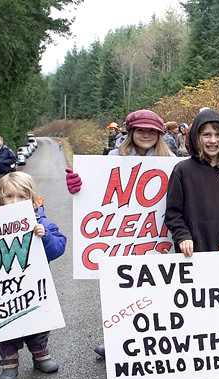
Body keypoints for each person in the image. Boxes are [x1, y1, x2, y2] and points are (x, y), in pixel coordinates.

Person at [65, 108, 174, 357]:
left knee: (156, 290)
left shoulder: (170, 161)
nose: (146, 135)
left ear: (159, 134)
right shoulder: (113, 157)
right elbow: (95, 195)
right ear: (130, 132)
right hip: (123, 241)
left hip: (157, 237)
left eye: (151, 131)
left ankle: (156, 341)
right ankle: (117, 340)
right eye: (140, 130)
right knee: (121, 292)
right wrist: (79, 187)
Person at [0, 172, 66, 379]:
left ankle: (41, 356)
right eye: (9, 196)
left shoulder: (43, 223)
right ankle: (9, 363)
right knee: (4, 324)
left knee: (38, 323)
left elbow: (58, 249)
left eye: (21, 196)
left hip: (33, 287)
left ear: (32, 198)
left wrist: (45, 236)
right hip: (1, 289)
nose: (15, 201)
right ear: (0, 198)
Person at [165, 109, 219, 258]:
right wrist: (183, 235)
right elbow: (173, 212)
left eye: (218, 135)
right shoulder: (182, 170)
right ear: (196, 137)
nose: (213, 140)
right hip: (189, 252)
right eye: (206, 135)